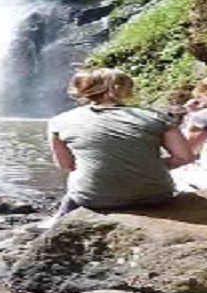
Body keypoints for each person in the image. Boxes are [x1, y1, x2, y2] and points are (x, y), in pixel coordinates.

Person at [44, 68, 193, 223]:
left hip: (94, 198)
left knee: (74, 185)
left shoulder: (59, 121)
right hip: (156, 196)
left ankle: (54, 224)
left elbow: (66, 166)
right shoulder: (155, 117)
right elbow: (184, 157)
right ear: (124, 89)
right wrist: (144, 165)